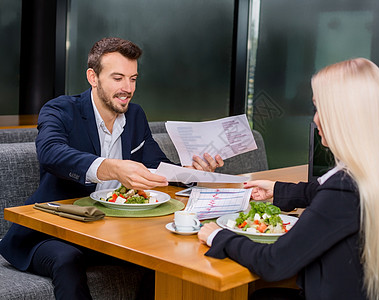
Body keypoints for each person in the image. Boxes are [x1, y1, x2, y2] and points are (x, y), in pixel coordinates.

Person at [0, 37, 224, 299]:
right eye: (118, 78)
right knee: (67, 259)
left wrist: (193, 172)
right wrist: (110, 168)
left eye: (133, 79)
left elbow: (156, 167)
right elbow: (50, 153)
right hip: (53, 232)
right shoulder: (60, 109)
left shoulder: (135, 115)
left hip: (112, 232)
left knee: (167, 258)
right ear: (93, 77)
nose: (127, 88)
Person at [198, 58, 379, 300]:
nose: (315, 120)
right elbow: (320, 193)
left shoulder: (344, 189)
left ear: (343, 115)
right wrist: (277, 189)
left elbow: (274, 263)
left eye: (319, 108)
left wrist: (217, 236)